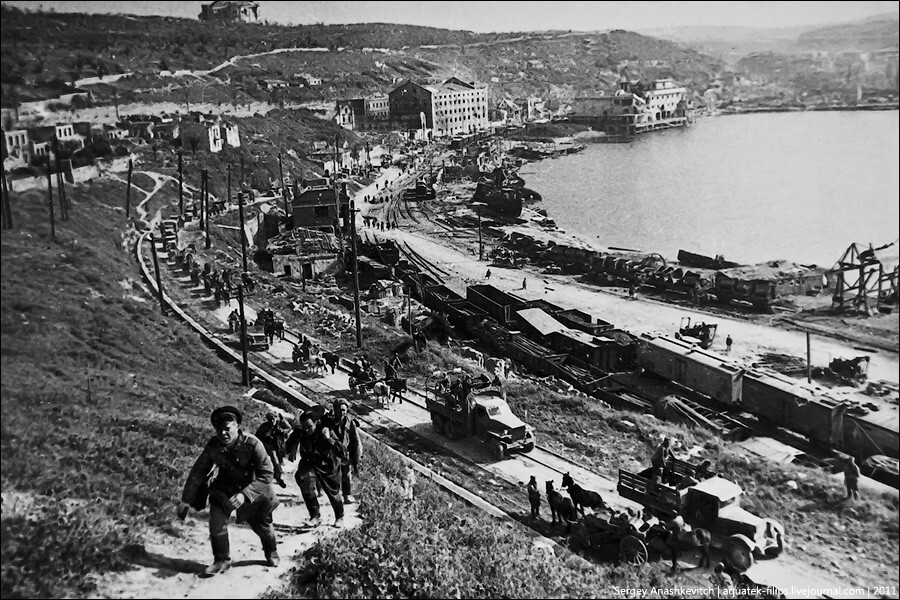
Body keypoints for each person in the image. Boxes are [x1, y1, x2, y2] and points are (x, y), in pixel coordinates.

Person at [177, 406, 280, 576]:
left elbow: (267, 474)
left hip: (255, 491)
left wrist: (244, 495)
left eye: (227, 429)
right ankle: (221, 560)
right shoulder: (214, 445)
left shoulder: (253, 444)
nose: (223, 433)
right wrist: (186, 500)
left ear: (237, 426)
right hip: (224, 489)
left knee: (262, 526)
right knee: (216, 523)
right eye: (219, 429)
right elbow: (199, 471)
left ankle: (272, 551)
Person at [286, 409, 346, 527]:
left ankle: (340, 517)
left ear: (316, 422)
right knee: (303, 480)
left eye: (309, 427)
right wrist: (291, 449)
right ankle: (315, 515)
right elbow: (290, 443)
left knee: (332, 491)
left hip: (327, 464)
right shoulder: (301, 430)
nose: (307, 430)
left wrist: (329, 439)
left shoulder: (325, 430)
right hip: (309, 461)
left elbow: (342, 451)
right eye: (305, 428)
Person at [326, 398, 361, 504]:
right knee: (332, 476)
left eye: (344, 410)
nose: (342, 412)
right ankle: (333, 496)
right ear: (335, 410)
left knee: (346, 475)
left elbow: (355, 442)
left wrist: (355, 460)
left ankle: (346, 496)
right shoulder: (329, 422)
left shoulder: (350, 424)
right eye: (340, 410)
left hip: (345, 454)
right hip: (332, 453)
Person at [255, 412, 288, 488]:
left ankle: (277, 476)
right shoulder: (264, 426)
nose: (272, 421)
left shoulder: (281, 423)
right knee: (275, 461)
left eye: (273, 418)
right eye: (270, 419)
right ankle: (278, 475)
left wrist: (283, 431)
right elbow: (257, 436)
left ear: (276, 418)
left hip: (279, 446)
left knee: (279, 461)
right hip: (269, 446)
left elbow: (289, 428)